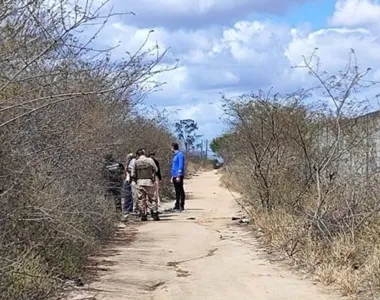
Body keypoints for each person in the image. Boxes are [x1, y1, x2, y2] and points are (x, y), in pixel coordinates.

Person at [131, 148, 159, 221]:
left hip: (140, 182)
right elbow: (156, 169)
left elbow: (133, 174)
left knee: (141, 199)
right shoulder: (150, 160)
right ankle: (155, 213)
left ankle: (143, 214)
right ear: (144, 153)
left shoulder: (136, 162)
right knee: (152, 198)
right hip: (149, 181)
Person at [171, 142, 186, 211]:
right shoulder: (175, 155)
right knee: (176, 191)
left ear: (173, 147)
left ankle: (181, 204)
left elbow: (181, 165)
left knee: (180, 190)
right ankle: (177, 204)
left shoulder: (180, 155)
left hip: (178, 175)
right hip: (174, 175)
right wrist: (172, 176)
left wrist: (179, 175)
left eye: (171, 147)